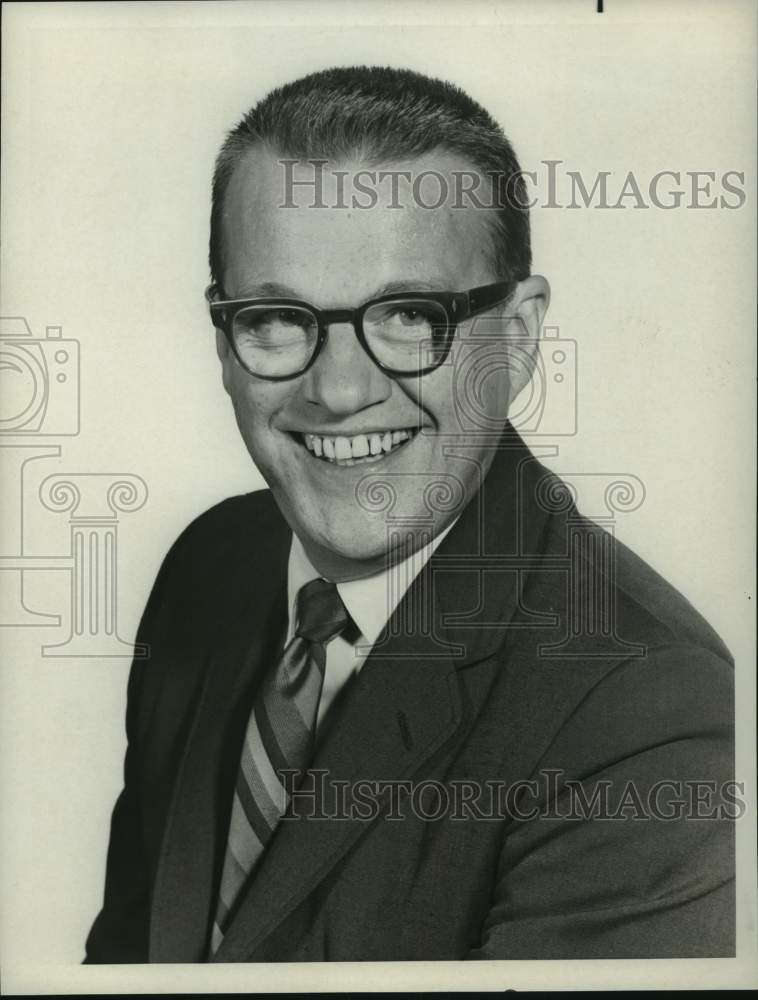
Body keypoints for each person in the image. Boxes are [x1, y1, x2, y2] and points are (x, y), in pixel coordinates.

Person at [84, 66, 735, 963]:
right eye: (276, 317)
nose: (339, 390)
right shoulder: (208, 564)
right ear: (224, 340)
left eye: (407, 315)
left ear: (518, 336)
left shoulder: (647, 708)